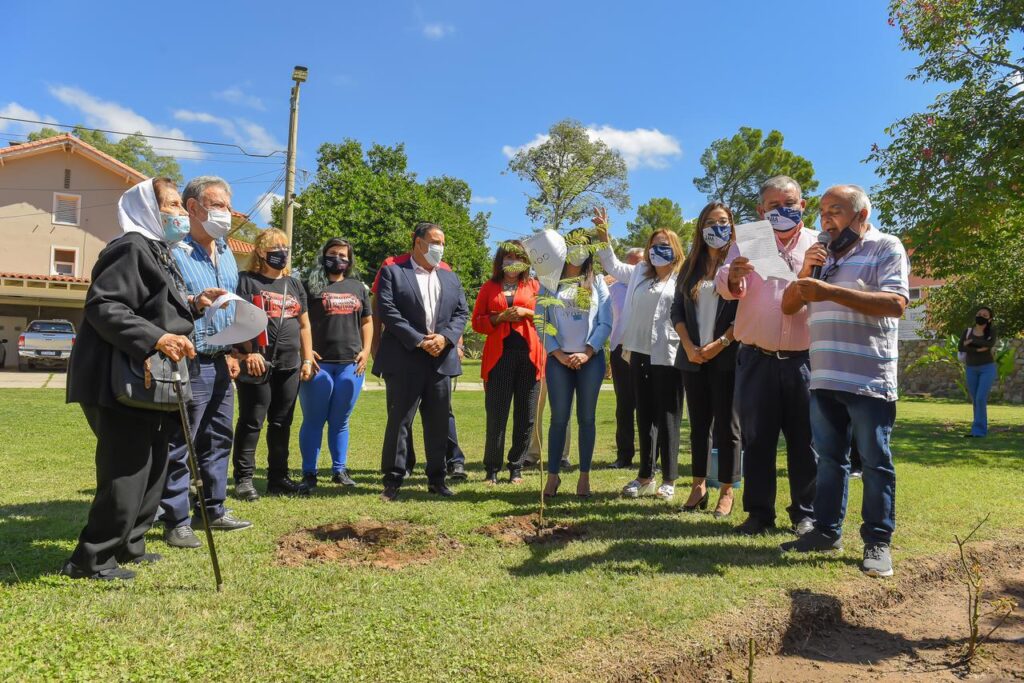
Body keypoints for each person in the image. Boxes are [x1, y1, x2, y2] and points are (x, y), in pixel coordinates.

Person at [61, 178, 225, 581]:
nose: (181, 213)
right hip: (119, 381)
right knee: (127, 468)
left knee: (154, 466)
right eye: (172, 205)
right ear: (148, 209)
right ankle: (92, 559)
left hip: (150, 383)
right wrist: (157, 338)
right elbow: (105, 306)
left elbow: (150, 305)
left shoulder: (157, 250)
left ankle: (130, 545)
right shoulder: (130, 246)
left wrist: (193, 305)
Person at [779, 184, 909, 578]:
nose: (826, 220)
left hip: (869, 378)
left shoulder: (886, 247)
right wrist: (806, 273)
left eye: (835, 211)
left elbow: (896, 303)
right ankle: (825, 532)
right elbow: (789, 307)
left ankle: (877, 542)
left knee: (874, 462)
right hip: (824, 376)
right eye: (822, 213)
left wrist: (829, 291)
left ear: (861, 215)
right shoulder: (820, 256)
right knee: (830, 461)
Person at [716, 175, 818, 536]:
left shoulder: (818, 243)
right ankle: (759, 514)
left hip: (804, 361)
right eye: (774, 205)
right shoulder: (750, 239)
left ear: (803, 205)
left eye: (789, 203)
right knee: (757, 441)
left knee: (805, 441)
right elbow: (726, 284)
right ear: (762, 210)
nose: (782, 210)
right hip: (756, 358)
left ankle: (805, 514)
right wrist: (733, 276)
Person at [159, 176, 251, 551]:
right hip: (188, 359)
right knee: (181, 441)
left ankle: (213, 508)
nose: (226, 213)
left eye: (228, 206)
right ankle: (176, 519)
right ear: (193, 208)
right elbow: (166, 302)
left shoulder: (227, 252)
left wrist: (234, 352)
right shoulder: (173, 251)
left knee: (218, 437)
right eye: (218, 206)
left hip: (220, 359)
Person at [374, 222, 469, 501]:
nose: (440, 248)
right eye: (435, 242)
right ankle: (393, 480)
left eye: (443, 243)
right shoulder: (393, 272)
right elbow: (387, 310)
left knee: (438, 421)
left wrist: (445, 338)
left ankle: (437, 479)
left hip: (440, 359)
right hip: (405, 357)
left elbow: (461, 313)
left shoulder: (450, 277)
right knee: (400, 421)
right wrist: (419, 339)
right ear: (418, 242)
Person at [595, 209, 685, 501]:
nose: (658, 249)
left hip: (668, 355)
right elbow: (611, 263)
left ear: (675, 249)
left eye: (665, 245)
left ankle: (669, 479)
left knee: (668, 417)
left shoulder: (683, 279)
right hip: (639, 353)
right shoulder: (639, 273)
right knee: (644, 416)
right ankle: (645, 476)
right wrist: (604, 235)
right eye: (654, 245)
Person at [232, 228, 316, 498]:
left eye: (285, 248)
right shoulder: (246, 281)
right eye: (275, 249)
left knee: (282, 423)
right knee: (251, 421)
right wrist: (249, 353)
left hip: (289, 365)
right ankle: (244, 479)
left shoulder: (295, 285)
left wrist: (307, 358)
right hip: (257, 363)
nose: (282, 253)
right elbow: (238, 319)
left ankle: (278, 478)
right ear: (260, 251)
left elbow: (304, 325)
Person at [671, 202, 741, 518]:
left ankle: (726, 490)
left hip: (727, 355)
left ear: (731, 226)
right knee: (699, 426)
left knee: (727, 426)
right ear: (701, 228)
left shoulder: (739, 264)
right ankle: (698, 486)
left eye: (723, 221)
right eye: (710, 222)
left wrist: (721, 343)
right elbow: (676, 309)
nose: (717, 227)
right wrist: (688, 345)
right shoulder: (691, 266)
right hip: (693, 357)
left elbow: (746, 312)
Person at [540, 229, 612, 498]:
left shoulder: (598, 281)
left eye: (584, 245)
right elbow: (541, 321)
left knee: (587, 418)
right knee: (559, 418)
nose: (578, 250)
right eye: (573, 244)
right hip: (558, 360)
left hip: (590, 360)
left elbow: (605, 322)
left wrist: (588, 352)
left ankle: (584, 477)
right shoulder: (550, 281)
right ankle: (553, 477)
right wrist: (557, 353)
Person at [298, 238, 372, 489]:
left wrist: (366, 351)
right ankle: (309, 473)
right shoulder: (309, 286)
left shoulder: (358, 287)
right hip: (318, 365)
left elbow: (367, 322)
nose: (338, 259)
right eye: (332, 253)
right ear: (323, 256)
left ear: (349, 261)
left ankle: (339, 470)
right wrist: (306, 353)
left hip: (351, 364)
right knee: (314, 420)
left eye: (343, 255)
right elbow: (299, 322)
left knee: (340, 421)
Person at [472, 241, 545, 484]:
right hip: (499, 358)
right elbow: (477, 322)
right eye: (508, 257)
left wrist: (526, 313)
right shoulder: (488, 287)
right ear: (500, 260)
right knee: (497, 415)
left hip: (530, 358)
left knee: (526, 416)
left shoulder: (534, 286)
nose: (513, 262)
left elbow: (547, 317)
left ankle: (516, 467)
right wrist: (500, 317)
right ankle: (492, 469)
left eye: (518, 258)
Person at [607, 247, 644, 469]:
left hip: (645, 350)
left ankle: (650, 458)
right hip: (620, 351)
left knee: (648, 405)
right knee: (624, 406)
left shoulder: (651, 287)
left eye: (640, 262)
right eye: (632, 263)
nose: (636, 268)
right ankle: (624, 455)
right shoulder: (613, 289)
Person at [959, 307, 998, 438]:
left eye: (985, 315)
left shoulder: (991, 331)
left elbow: (989, 344)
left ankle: (979, 431)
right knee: (976, 400)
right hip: (971, 368)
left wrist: (971, 342)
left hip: (987, 368)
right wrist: (977, 348)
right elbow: (961, 347)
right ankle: (977, 430)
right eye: (979, 314)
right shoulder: (967, 331)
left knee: (981, 398)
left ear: (989, 319)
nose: (981, 316)